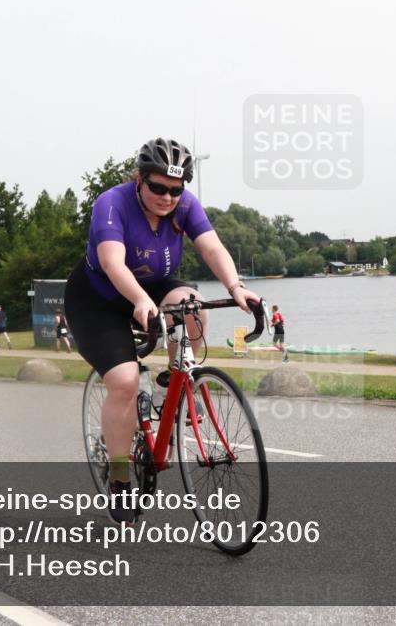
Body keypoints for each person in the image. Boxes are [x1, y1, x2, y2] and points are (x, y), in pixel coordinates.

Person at [65, 137, 261, 524]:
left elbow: (211, 248)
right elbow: (112, 262)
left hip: (154, 285)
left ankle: (169, 383)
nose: (167, 197)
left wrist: (236, 288)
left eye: (176, 189)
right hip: (98, 298)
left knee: (192, 307)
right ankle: (120, 478)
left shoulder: (184, 205)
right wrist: (138, 300)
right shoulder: (112, 203)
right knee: (122, 381)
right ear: (140, 180)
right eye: (158, 187)